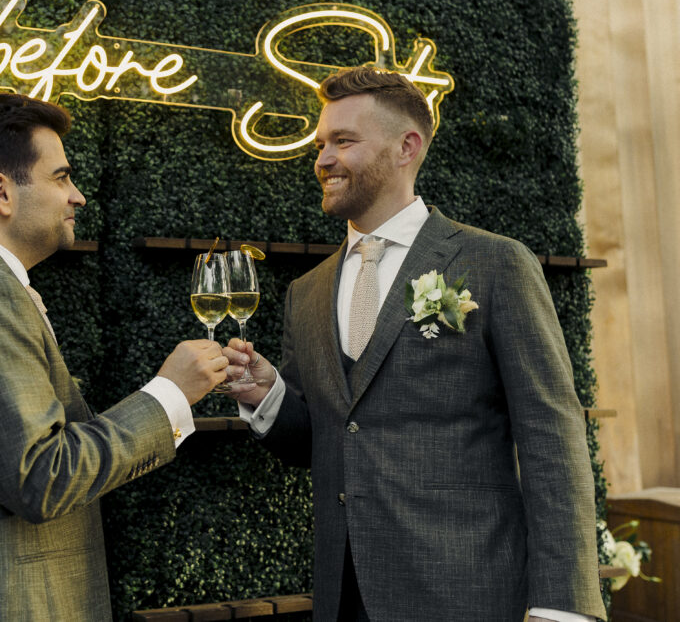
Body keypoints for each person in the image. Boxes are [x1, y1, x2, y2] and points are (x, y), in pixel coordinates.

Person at [224, 67, 606, 622]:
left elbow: (552, 434)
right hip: (344, 597)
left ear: (407, 147)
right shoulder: (305, 294)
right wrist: (267, 398)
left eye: (343, 141)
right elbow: (324, 440)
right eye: (321, 144)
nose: (323, 159)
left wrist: (563, 606)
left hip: (469, 593)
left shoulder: (495, 263)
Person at [0, 92, 228, 620]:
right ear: (1, 192)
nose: (78, 197)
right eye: (61, 177)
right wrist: (169, 395)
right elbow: (42, 476)